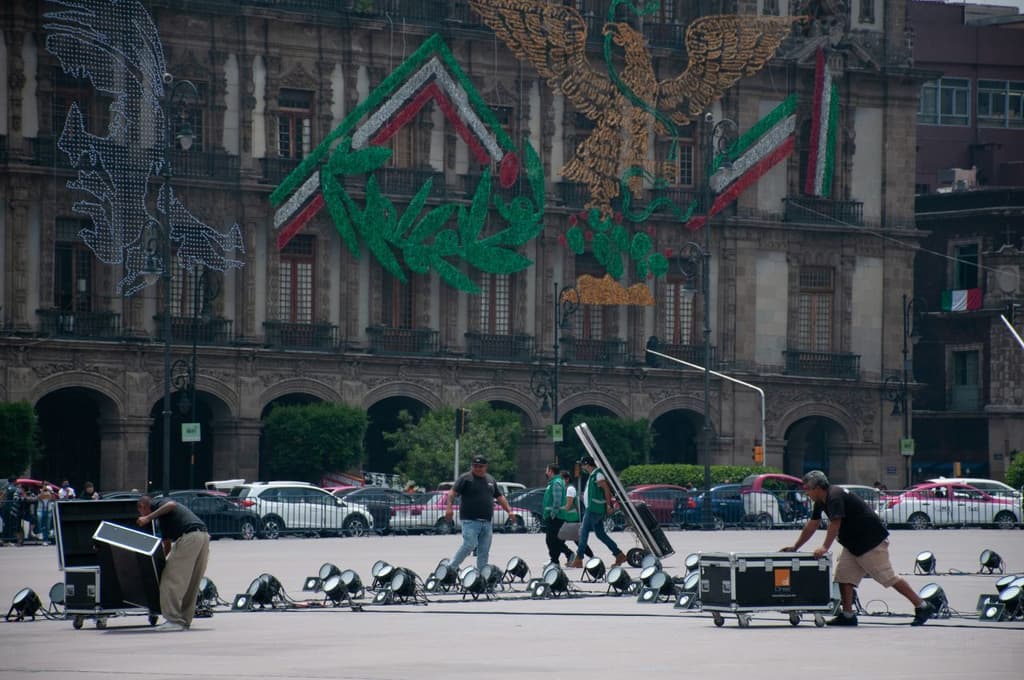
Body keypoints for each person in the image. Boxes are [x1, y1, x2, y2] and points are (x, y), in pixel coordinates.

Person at [781, 470, 935, 627]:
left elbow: (835, 523)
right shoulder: (821, 500)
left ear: (818, 487)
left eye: (807, 489)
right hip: (852, 543)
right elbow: (813, 524)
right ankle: (848, 615)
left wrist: (824, 547)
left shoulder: (834, 496)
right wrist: (795, 547)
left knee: (887, 577)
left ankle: (922, 605)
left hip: (870, 541)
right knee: (843, 577)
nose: (806, 493)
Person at [137, 494, 210, 631]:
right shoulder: (163, 519)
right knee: (192, 582)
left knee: (170, 580)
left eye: (140, 512)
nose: (140, 516)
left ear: (142, 506)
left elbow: (172, 505)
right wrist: (160, 562)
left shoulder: (156, 503)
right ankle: (184, 620)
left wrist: (148, 518)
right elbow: (167, 545)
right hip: (203, 536)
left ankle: (174, 620)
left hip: (188, 537)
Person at [444, 454, 515, 571]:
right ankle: (450, 568)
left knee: (484, 550)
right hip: (470, 520)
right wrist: (449, 508)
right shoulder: (466, 478)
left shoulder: (490, 480)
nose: (477, 468)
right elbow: (452, 492)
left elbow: (499, 497)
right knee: (469, 544)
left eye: (480, 466)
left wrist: (509, 511)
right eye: (475, 466)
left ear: (486, 467)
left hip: (486, 522)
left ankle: (482, 573)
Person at [568, 456, 626, 569]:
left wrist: (608, 505)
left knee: (583, 532)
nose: (582, 467)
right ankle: (619, 554)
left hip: (594, 509)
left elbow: (606, 490)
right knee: (600, 535)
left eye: (583, 465)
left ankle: (579, 558)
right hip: (595, 508)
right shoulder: (594, 475)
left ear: (587, 464)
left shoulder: (598, 475)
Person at [542, 464, 572, 565]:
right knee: (553, 539)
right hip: (554, 516)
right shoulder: (554, 482)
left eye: (547, 470)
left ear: (551, 471)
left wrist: (553, 514)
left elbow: (557, 500)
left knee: (551, 540)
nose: (546, 472)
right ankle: (554, 560)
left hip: (556, 516)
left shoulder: (556, 483)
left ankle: (555, 560)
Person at [560, 470, 592, 562]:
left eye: (561, 479)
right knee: (559, 541)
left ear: (567, 479)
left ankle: (590, 557)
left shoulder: (570, 489)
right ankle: (569, 555)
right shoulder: (566, 489)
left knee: (577, 541)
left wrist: (559, 511)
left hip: (571, 519)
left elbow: (568, 505)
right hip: (568, 518)